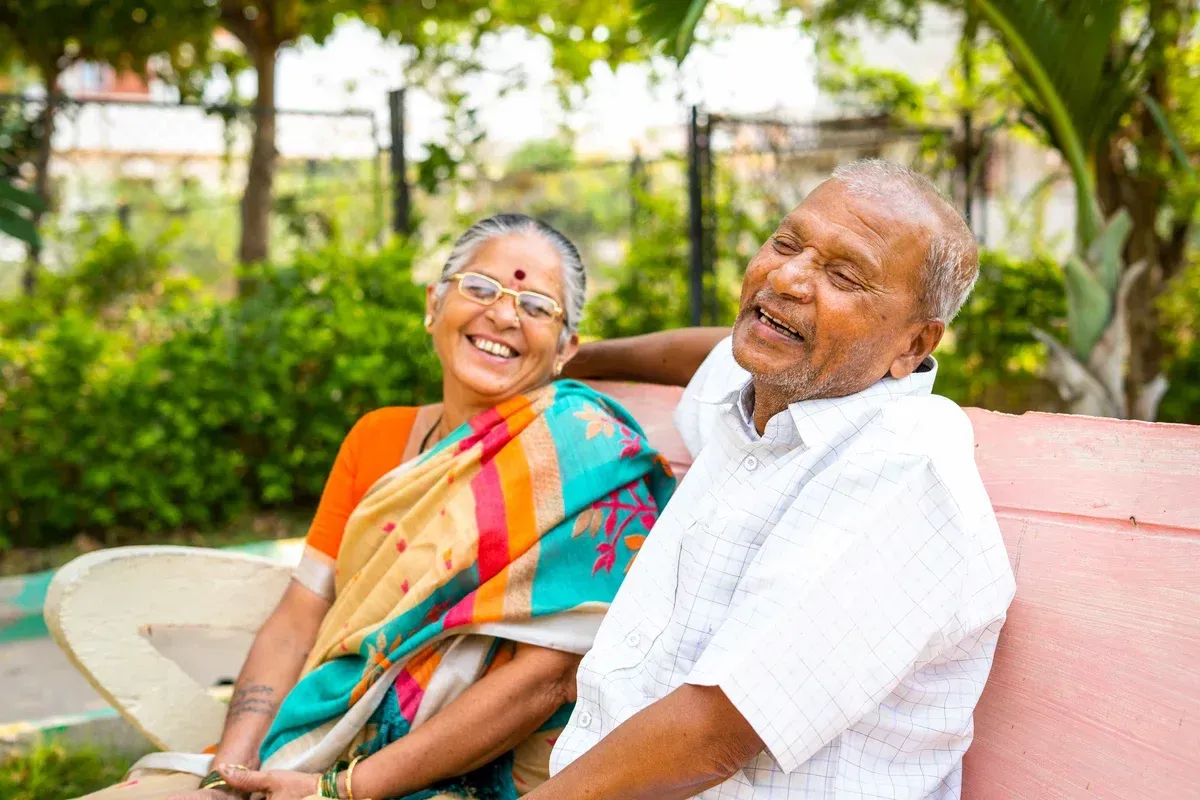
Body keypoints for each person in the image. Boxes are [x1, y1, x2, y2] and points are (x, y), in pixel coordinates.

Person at [79, 213, 675, 800]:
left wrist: (340, 789)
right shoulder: (378, 438)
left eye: (537, 306)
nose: (502, 314)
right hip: (306, 746)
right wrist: (230, 769)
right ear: (433, 304)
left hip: (461, 778)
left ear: (568, 345)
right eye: (480, 288)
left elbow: (544, 680)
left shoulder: (589, 456)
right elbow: (299, 613)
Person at [534, 159, 1016, 799]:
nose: (786, 277)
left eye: (843, 276)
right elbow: (702, 353)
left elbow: (713, 736)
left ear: (913, 345)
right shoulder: (769, 397)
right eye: (786, 244)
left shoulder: (905, 465)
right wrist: (576, 355)